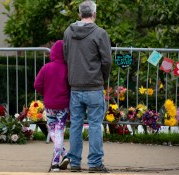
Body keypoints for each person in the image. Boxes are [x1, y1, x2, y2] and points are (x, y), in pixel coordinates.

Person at [60, 0, 112, 173]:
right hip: (94, 86)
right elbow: (107, 61)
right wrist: (102, 78)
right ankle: (95, 163)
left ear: (79, 14)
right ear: (94, 14)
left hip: (75, 86)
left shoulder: (68, 32)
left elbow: (66, 56)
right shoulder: (100, 33)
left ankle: (74, 162)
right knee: (95, 125)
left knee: (75, 125)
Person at [34, 40, 70, 172]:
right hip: (63, 105)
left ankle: (55, 162)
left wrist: (46, 93)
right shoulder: (67, 68)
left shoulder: (46, 67)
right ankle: (64, 155)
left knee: (53, 132)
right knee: (59, 132)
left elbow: (37, 85)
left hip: (49, 105)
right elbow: (70, 86)